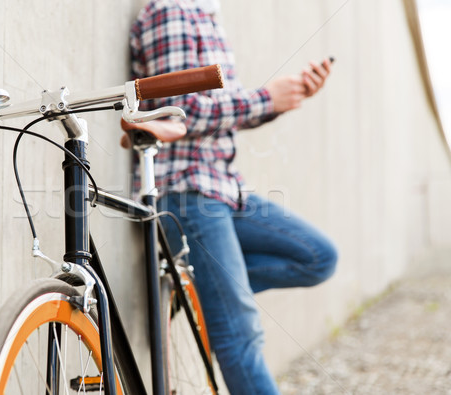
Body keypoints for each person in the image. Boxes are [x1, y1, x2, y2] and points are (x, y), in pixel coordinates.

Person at [129, 0, 338, 394]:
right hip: (185, 194)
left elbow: (220, 114)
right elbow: (179, 112)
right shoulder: (171, 10)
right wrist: (264, 98)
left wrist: (286, 97)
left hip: (223, 188)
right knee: (240, 339)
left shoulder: (205, 13)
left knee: (318, 257)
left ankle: (202, 290)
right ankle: (212, 293)